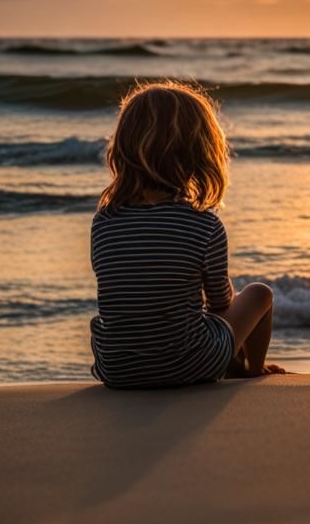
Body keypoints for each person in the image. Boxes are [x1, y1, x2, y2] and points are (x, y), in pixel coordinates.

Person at [90, 80, 284, 388]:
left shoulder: (104, 221)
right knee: (260, 294)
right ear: (198, 152)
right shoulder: (203, 225)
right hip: (188, 367)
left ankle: (228, 363)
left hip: (117, 370)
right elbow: (219, 303)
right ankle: (252, 369)